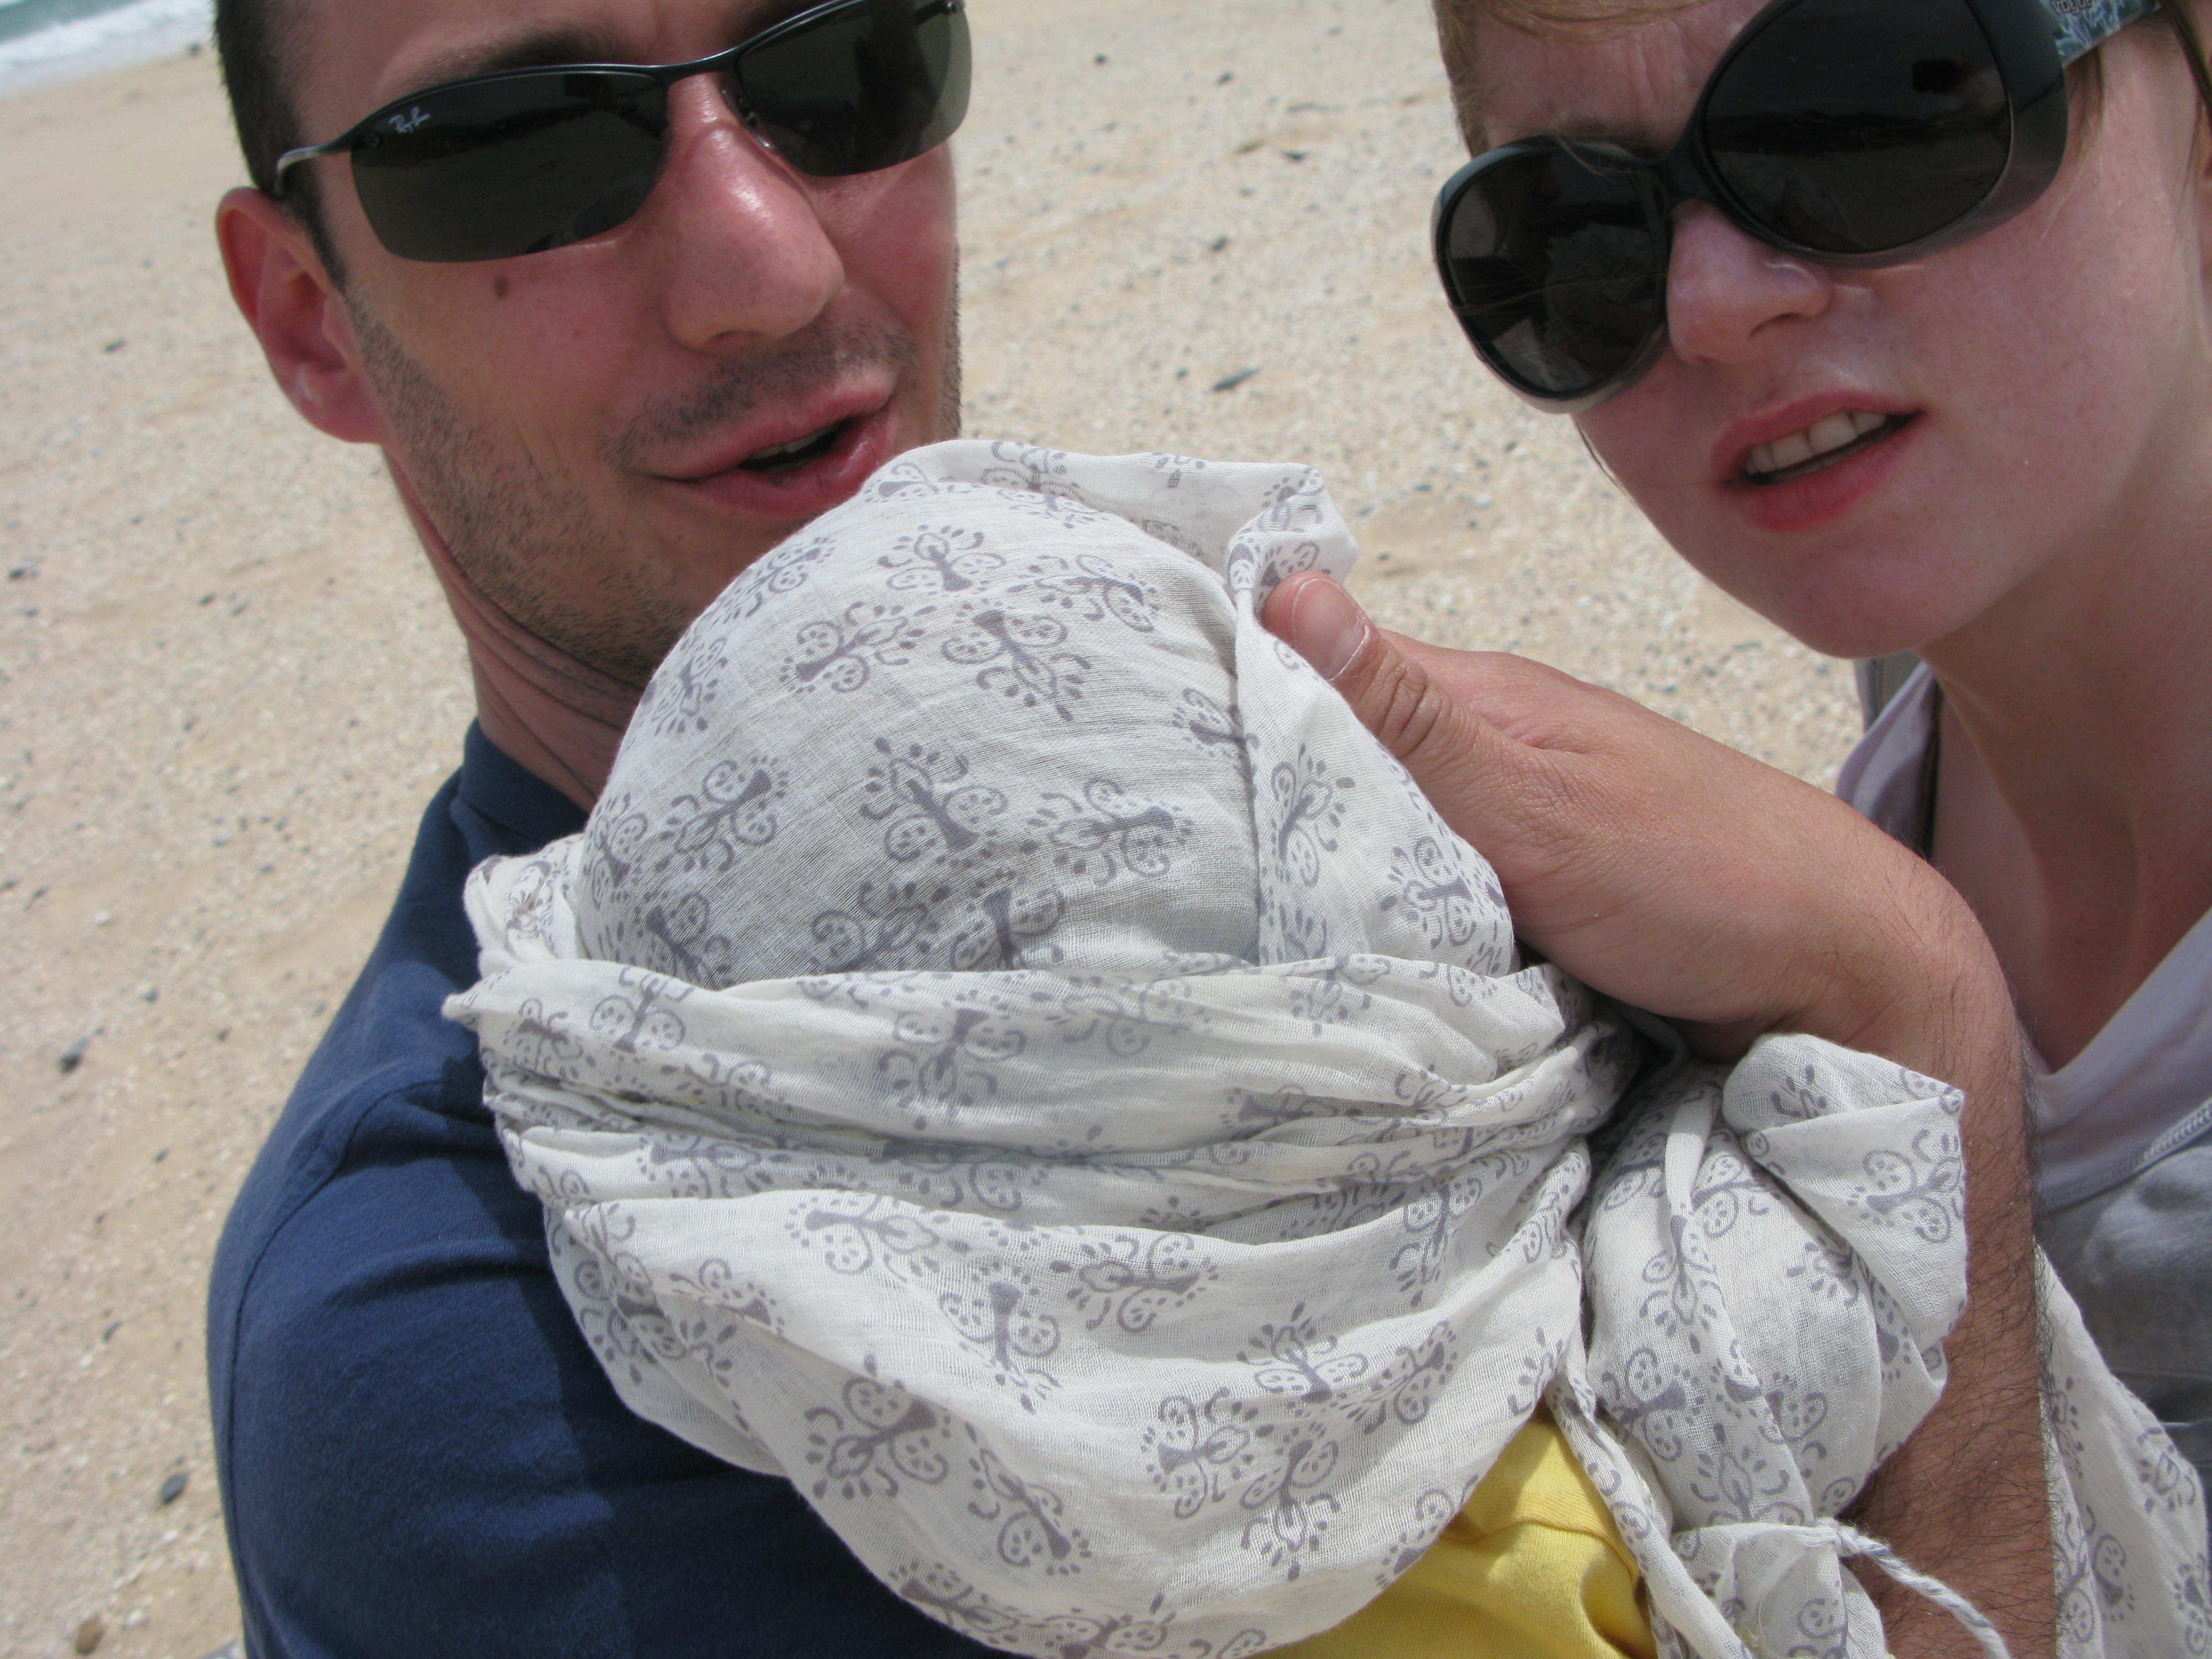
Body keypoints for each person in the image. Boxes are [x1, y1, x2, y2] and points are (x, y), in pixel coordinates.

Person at [205, 0, 2057, 1653]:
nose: (766, 262)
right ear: (308, 319)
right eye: (519, 148)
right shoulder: (452, 1347)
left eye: (841, 61)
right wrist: (1909, 1014)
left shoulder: (1249, 767)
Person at [1377, 0, 2212, 1494]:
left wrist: (1896, 999)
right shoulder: (1960, 617)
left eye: (1871, 118)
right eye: (1579, 232)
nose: (1708, 303)